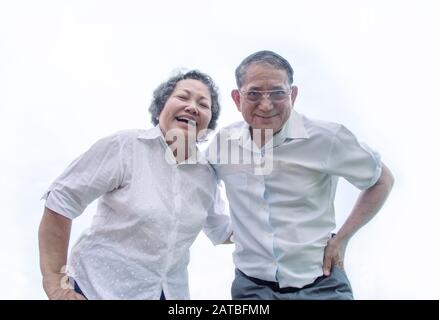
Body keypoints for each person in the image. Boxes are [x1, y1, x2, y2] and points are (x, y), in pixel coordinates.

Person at [207, 50, 394, 300]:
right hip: (252, 288)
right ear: (237, 98)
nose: (265, 104)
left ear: (292, 95)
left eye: (277, 93)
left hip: (322, 284)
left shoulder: (327, 138)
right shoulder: (223, 143)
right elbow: (197, 184)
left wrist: (342, 239)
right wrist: (222, 230)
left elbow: (381, 180)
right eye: (253, 94)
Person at [38, 70, 232, 300]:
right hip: (96, 289)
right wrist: (55, 284)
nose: (192, 107)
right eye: (182, 97)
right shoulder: (126, 146)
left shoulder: (207, 176)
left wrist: (277, 213)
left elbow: (224, 231)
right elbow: (62, 199)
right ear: (161, 106)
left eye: (203, 104)